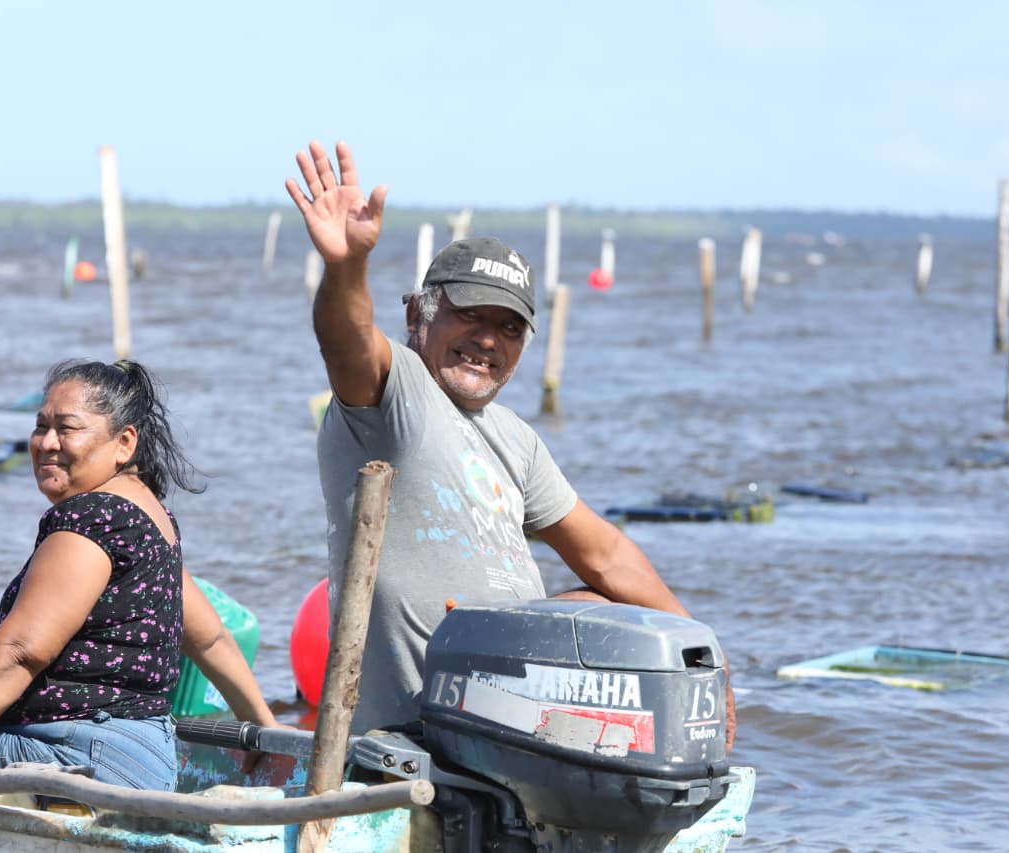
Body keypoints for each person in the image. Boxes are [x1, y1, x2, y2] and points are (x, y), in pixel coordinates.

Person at [286, 140, 735, 749]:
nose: (487, 341)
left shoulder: (515, 439)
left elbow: (607, 555)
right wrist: (345, 268)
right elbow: (347, 339)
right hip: (414, 731)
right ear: (419, 314)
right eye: (469, 316)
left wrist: (704, 657)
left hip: (512, 716)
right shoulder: (395, 394)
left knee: (603, 603)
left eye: (508, 327)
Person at [0, 359, 280, 789]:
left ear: (124, 443)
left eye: (67, 428)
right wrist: (262, 723)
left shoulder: (91, 518)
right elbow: (210, 638)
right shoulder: (148, 518)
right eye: (41, 426)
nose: (47, 443)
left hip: (76, 757)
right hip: (146, 762)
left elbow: (20, 651)